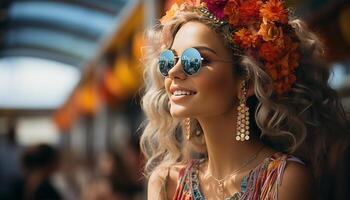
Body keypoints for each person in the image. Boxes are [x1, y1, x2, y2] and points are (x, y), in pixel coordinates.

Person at [139, 0, 350, 199]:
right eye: (168, 60)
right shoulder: (165, 182)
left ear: (247, 81)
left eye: (194, 60)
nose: (174, 72)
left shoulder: (283, 181)